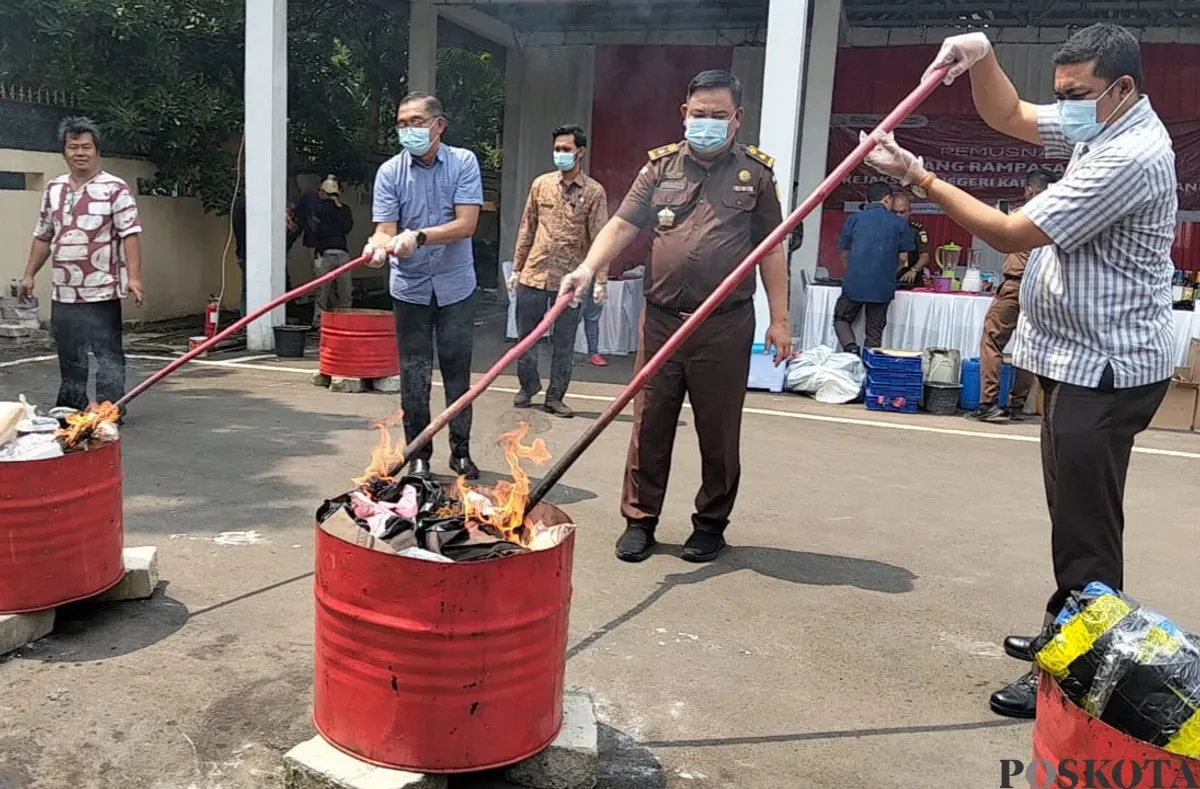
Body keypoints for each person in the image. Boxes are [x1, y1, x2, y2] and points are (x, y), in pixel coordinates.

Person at [864, 23, 1176, 719]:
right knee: (1076, 518)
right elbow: (1007, 114)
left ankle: (1078, 678)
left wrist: (918, 176)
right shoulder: (1099, 125)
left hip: (1107, 367)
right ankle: (1069, 630)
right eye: (1060, 92)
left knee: (1086, 532)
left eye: (1075, 94)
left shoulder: (1128, 154)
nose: (1061, 106)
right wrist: (984, 55)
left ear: (1121, 88)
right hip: (1079, 357)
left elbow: (1009, 232)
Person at [557, 69, 793, 564]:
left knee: (719, 429)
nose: (706, 123)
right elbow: (622, 225)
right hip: (663, 319)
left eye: (718, 116)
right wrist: (586, 268)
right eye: (699, 114)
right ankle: (640, 521)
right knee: (649, 424)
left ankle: (710, 525)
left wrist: (780, 319)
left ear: (738, 119)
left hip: (724, 325)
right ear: (684, 114)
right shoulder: (659, 170)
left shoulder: (757, 175)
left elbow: (772, 251)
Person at [364, 91, 484, 480]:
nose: (407, 130)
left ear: (438, 125)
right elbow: (385, 229)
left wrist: (419, 237)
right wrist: (379, 247)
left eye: (416, 122)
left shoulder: (463, 162)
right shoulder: (389, 172)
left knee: (456, 373)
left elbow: (466, 224)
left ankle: (461, 452)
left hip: (455, 288)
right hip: (410, 289)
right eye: (401, 123)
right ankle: (418, 454)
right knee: (414, 376)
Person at [18, 117, 143, 419]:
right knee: (70, 353)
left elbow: (130, 233)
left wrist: (135, 277)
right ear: (64, 152)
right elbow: (44, 234)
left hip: (102, 289)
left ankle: (109, 407)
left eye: (86, 147)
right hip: (64, 290)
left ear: (97, 151)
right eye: (73, 147)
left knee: (106, 352)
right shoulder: (54, 188)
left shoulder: (115, 188)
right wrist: (28, 274)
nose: (80, 153)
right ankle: (70, 406)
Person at [509, 123, 609, 417]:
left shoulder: (594, 192)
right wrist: (516, 268)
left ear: (580, 152)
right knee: (526, 339)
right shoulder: (541, 184)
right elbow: (527, 227)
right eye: (557, 149)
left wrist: (600, 281)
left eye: (566, 149)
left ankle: (555, 396)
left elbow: (601, 236)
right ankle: (528, 386)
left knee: (563, 343)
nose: (560, 154)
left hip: (570, 280)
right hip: (534, 273)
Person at [965, 169, 1055, 423]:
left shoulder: (1021, 216)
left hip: (1016, 286)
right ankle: (1017, 403)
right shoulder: (1057, 216)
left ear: (1028, 190)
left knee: (992, 340)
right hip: (1042, 290)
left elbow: (997, 230)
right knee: (1027, 346)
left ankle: (988, 402)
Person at [833, 181, 914, 354]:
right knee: (874, 332)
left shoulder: (853, 219)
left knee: (841, 319)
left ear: (867, 199)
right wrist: (888, 271)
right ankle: (870, 369)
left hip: (855, 281)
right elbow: (903, 257)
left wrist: (853, 270)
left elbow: (845, 253)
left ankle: (851, 350)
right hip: (883, 284)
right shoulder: (899, 224)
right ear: (887, 200)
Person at [309, 175, 355, 324]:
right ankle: (335, 321)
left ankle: (320, 321)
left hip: (328, 253)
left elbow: (315, 229)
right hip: (336, 252)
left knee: (323, 291)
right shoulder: (326, 209)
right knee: (343, 292)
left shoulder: (337, 209)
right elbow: (346, 228)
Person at [890, 192, 932, 286]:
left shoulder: (916, 230)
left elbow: (925, 256)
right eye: (894, 212)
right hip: (886, 279)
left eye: (902, 212)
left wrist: (914, 270)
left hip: (910, 279)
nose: (898, 215)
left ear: (909, 212)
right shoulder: (882, 230)